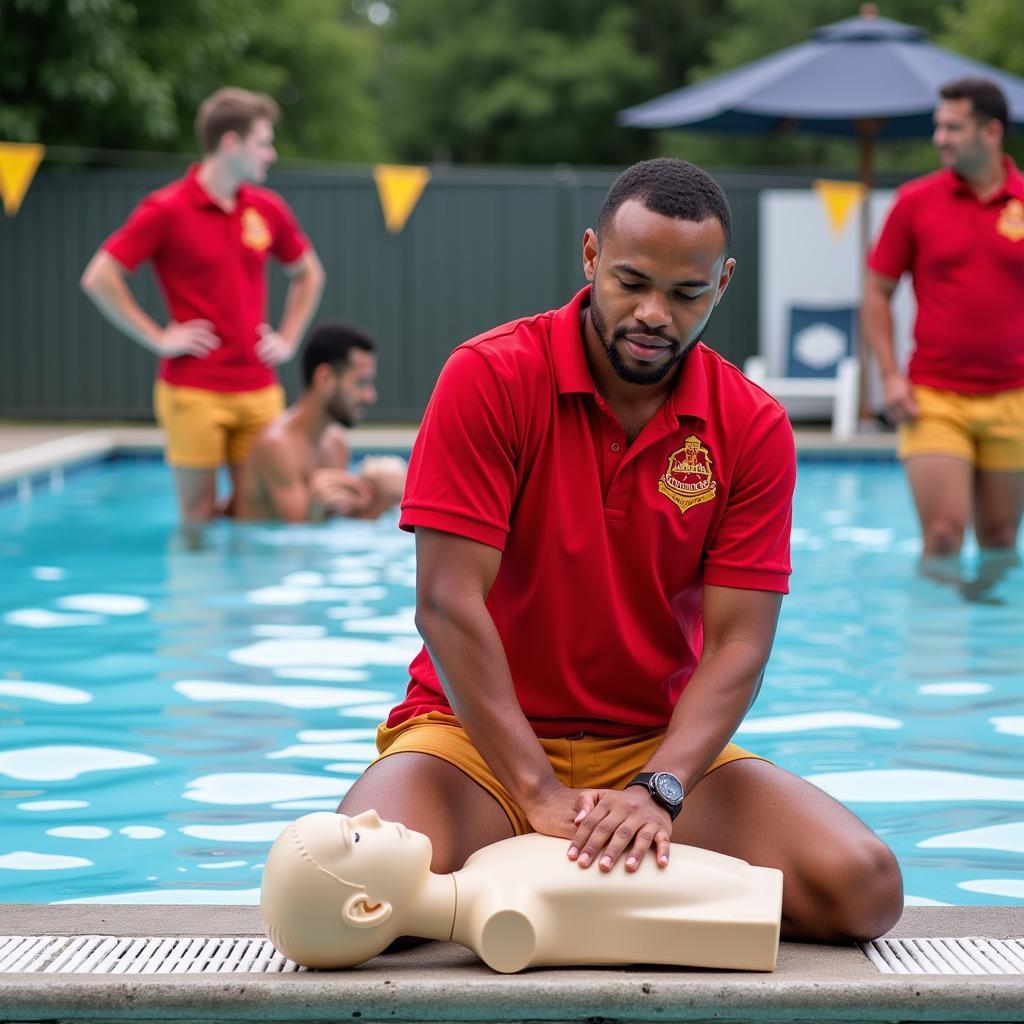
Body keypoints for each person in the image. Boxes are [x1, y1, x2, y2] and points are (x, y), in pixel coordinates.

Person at [339, 158, 903, 945]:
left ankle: (535, 887)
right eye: (631, 281)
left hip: (650, 744)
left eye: (686, 294)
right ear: (590, 256)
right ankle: (552, 871)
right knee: (351, 890)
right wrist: (534, 789)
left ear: (724, 282)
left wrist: (659, 789)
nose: (654, 315)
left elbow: (741, 640)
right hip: (471, 742)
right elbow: (446, 600)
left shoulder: (752, 426)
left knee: (863, 890)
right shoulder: (490, 377)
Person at [81, 86, 325, 525]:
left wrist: (288, 339)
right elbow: (100, 277)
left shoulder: (267, 209)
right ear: (230, 143)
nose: (270, 154)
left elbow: (309, 274)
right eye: (263, 143)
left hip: (259, 389)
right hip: (192, 391)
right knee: (197, 519)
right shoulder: (166, 209)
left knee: (259, 514)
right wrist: (157, 337)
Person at [261, 810, 783, 972]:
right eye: (353, 835)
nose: (372, 816)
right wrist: (746, 910)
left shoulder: (483, 866)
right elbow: (635, 924)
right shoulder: (502, 924)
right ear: (369, 908)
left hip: (738, 884)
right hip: (737, 902)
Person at [864, 78, 1024, 565]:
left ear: (991, 131)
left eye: (953, 127)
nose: (940, 138)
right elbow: (876, 292)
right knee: (942, 537)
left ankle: (992, 642)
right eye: (939, 126)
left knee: (999, 541)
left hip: (1015, 396)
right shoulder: (915, 202)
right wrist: (890, 376)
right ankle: (936, 642)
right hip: (934, 396)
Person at [236, 322, 407, 522]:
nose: (370, 396)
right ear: (325, 378)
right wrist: (316, 506)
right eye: (361, 383)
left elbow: (335, 524)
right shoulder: (276, 445)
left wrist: (380, 499)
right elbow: (298, 539)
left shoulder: (335, 443)